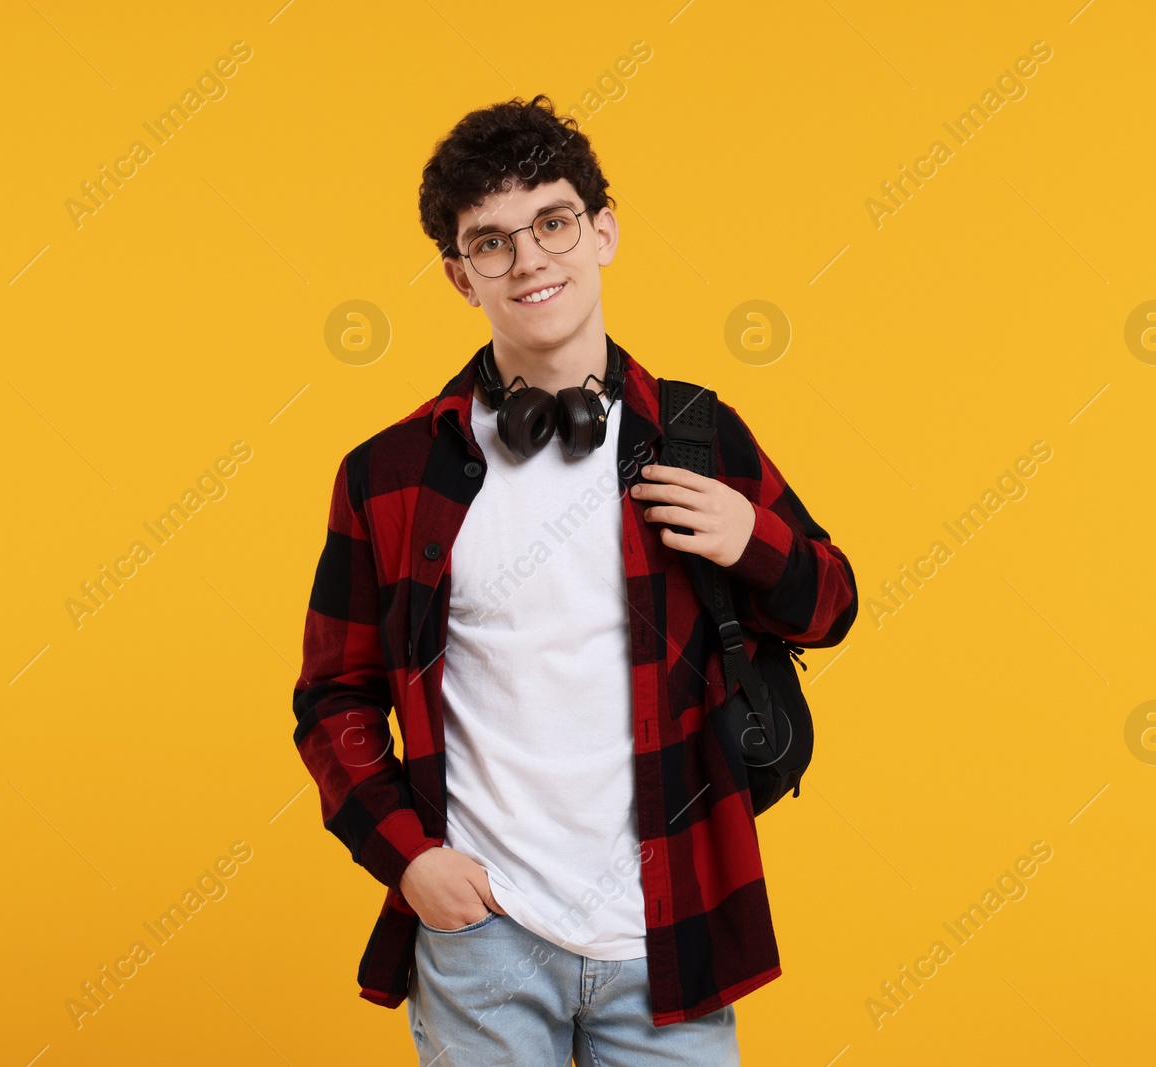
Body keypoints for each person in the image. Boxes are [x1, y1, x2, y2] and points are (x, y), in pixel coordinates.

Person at [292, 94, 858, 1067]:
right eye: (492, 242)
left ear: (602, 231)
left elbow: (830, 606)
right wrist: (411, 860)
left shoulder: (698, 432)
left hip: (669, 924)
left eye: (552, 222)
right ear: (460, 276)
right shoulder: (389, 472)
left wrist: (750, 539)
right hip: (486, 933)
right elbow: (331, 696)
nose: (529, 260)